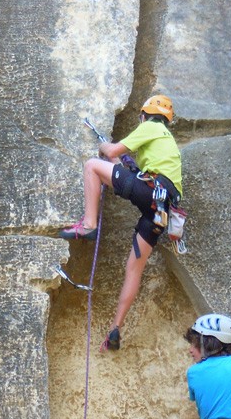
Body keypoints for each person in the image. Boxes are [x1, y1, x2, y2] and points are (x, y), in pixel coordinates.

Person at [59, 95, 182, 350]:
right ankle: (115, 329)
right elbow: (131, 173)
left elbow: (112, 153)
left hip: (150, 192)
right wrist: (118, 161)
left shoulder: (150, 127)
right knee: (134, 269)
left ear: (144, 116)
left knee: (93, 165)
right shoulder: (167, 142)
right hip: (160, 210)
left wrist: (106, 147)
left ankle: (89, 225)